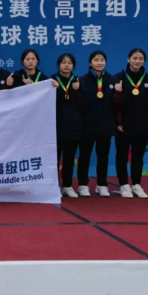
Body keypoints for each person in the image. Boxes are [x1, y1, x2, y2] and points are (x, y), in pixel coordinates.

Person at [114, 48, 148, 199]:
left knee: (138, 157)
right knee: (122, 155)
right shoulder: (119, 77)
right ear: (128, 59)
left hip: (142, 123)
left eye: (140, 59)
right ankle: (123, 184)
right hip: (123, 124)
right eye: (134, 58)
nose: (137, 61)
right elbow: (114, 104)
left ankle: (136, 184)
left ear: (144, 61)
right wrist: (118, 121)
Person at [77, 51, 117, 197]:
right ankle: (83, 184)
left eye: (102, 60)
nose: (99, 63)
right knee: (85, 156)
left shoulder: (113, 80)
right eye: (96, 60)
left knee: (103, 157)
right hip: (87, 125)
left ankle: (102, 185)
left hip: (106, 125)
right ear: (90, 63)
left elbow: (117, 104)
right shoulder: (82, 80)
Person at [50, 54, 82, 198]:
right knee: (54, 159)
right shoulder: (51, 81)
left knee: (69, 158)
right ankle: (54, 186)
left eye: (69, 63)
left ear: (73, 65)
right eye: (64, 62)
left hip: (73, 127)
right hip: (55, 127)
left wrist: (79, 90)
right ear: (59, 65)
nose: (67, 65)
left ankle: (67, 186)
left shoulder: (78, 81)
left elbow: (85, 103)